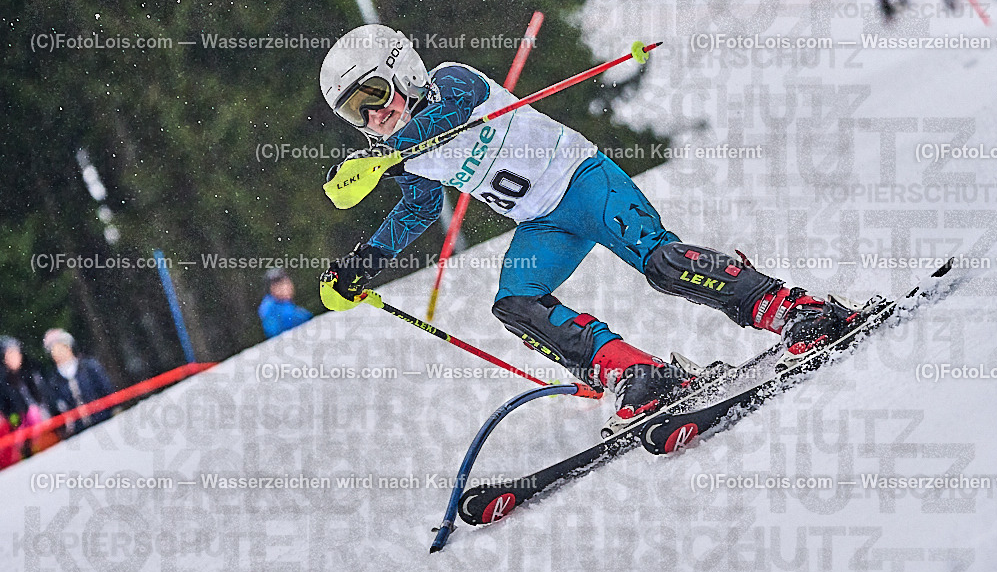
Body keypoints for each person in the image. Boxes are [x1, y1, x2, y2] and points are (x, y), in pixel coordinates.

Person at [317, 25, 864, 434]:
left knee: (662, 263)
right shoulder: (403, 156)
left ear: (405, 72)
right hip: (543, 224)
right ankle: (640, 373)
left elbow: (450, 114)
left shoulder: (450, 82)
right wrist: (361, 265)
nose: (372, 119)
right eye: (355, 114)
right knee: (515, 302)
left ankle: (795, 308)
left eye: (374, 97)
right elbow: (414, 212)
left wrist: (389, 157)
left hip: (583, 181)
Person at [43, 328, 115, 436]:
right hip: (78, 433)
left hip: (104, 422)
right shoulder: (53, 381)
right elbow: (55, 409)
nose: (58, 352)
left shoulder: (89, 367)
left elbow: (107, 389)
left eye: (61, 347)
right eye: (53, 349)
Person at [0, 336, 56, 461]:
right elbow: (6, 408)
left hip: (44, 419)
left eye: (15, 353)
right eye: (9, 355)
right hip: (21, 424)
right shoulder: (3, 382)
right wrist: (15, 420)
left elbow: (45, 394)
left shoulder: (32, 371)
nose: (14, 358)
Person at [258, 268, 313, 338]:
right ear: (271, 289)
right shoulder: (269, 308)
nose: (285, 288)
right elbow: (276, 332)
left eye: (286, 283)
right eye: (279, 285)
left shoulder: (289, 306)